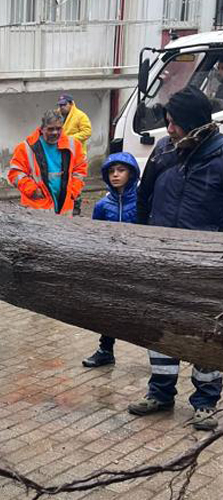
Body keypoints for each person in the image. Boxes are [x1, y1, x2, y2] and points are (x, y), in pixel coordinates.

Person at [128, 85, 223, 431]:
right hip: (161, 261)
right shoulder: (165, 152)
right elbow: (143, 197)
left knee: (206, 335)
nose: (169, 130)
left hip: (206, 268)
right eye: (167, 122)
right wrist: (141, 240)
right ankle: (160, 392)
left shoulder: (220, 159)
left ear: (195, 123)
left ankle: (205, 402)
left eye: (174, 123)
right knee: (162, 329)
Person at [81, 152, 140, 368]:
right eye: (111, 171)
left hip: (137, 265)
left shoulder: (143, 202)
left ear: (131, 173)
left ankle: (159, 355)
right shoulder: (102, 206)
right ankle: (106, 349)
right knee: (109, 309)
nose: (116, 175)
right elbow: (95, 237)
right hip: (112, 266)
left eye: (121, 170)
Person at [7, 109, 87, 216]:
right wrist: (33, 191)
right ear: (42, 129)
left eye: (58, 129)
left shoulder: (73, 145)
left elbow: (80, 170)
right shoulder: (26, 147)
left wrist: (73, 191)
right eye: (50, 129)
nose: (55, 132)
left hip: (65, 208)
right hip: (37, 209)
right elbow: (15, 174)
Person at [58, 94, 92, 216]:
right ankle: (63, 205)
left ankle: (76, 207)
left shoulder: (80, 116)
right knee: (63, 180)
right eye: (60, 105)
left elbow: (87, 132)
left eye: (64, 105)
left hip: (77, 154)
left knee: (76, 180)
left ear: (71, 103)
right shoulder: (58, 116)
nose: (61, 107)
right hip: (61, 153)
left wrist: (69, 139)